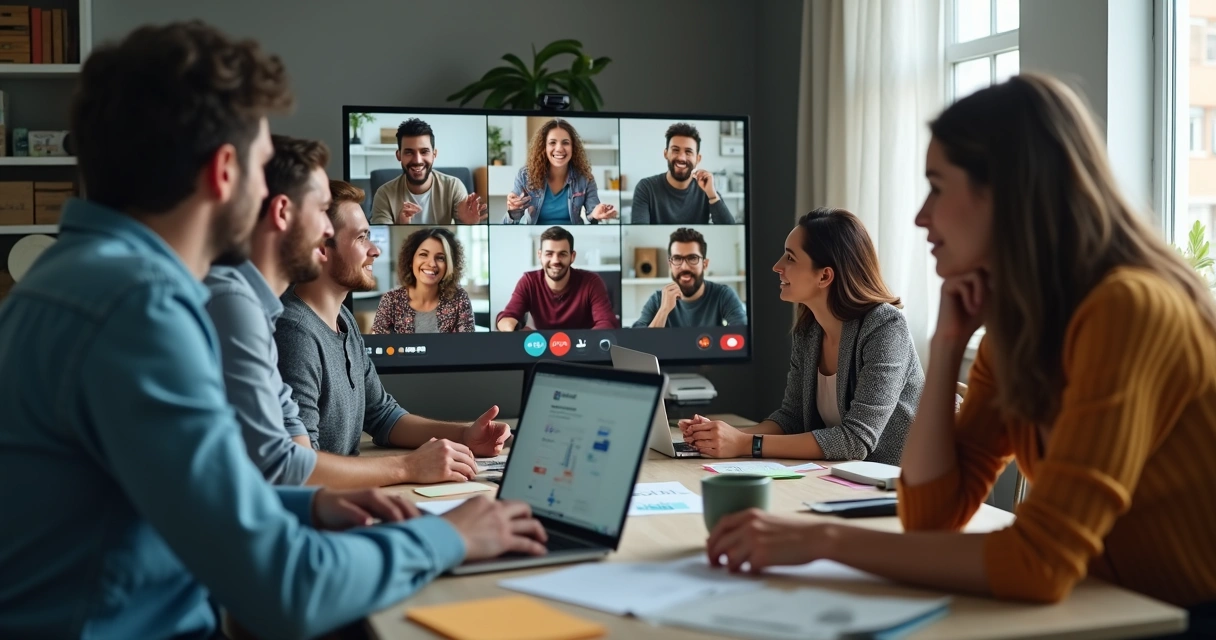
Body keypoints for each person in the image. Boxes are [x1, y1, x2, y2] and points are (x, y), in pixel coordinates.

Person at [0, 21, 545, 640]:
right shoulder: (142, 310)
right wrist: (446, 536)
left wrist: (310, 501)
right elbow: (286, 589)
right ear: (224, 172)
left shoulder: (70, 281)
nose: (271, 200)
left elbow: (197, 500)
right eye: (263, 169)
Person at [704, 75, 1216, 627]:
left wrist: (824, 539)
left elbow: (1039, 562)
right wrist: (947, 345)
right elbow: (930, 516)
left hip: (1180, 618)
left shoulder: (1129, 309)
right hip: (1107, 610)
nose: (922, 216)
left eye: (937, 187)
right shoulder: (1014, 332)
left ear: (1008, 193)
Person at [206, 135, 453, 489]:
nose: (326, 232)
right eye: (321, 212)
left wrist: (463, 435)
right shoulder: (266, 320)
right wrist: (408, 468)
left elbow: (303, 455)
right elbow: (293, 471)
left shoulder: (276, 313)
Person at [277, 180, 510, 465]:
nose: (374, 250)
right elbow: (303, 467)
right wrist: (409, 468)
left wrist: (465, 436)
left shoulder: (344, 321)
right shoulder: (294, 333)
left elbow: (383, 416)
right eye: (362, 238)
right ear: (322, 249)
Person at [680, 208, 922, 463]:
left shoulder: (885, 327)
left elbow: (856, 441)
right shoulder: (810, 330)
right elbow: (792, 418)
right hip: (841, 479)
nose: (777, 266)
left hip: (902, 484)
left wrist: (744, 444)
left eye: (790, 258)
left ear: (825, 275)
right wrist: (722, 436)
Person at [495, 226, 619, 331]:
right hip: (543, 351)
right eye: (549, 254)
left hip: (582, 349)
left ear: (572, 256)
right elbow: (505, 318)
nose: (555, 261)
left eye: (562, 254)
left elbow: (607, 322)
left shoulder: (591, 281)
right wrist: (515, 330)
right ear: (540, 255)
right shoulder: (529, 281)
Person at [370, 117, 487, 225]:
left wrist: (468, 225)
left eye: (424, 151)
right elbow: (380, 243)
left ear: (434, 154)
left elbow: (462, 240)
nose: (417, 160)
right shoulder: (383, 195)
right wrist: (400, 226)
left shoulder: (453, 187)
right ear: (399, 155)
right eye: (409, 152)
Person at [502, 118, 617, 224]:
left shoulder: (585, 178)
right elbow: (508, 224)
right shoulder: (525, 176)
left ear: (573, 147)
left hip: (573, 236)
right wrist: (513, 211)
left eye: (565, 142)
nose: (559, 148)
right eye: (552, 142)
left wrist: (596, 214)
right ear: (544, 147)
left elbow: (592, 213)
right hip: (538, 236)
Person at [633, 227, 747, 328]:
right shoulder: (657, 300)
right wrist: (663, 311)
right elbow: (637, 342)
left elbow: (744, 335)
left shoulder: (724, 296)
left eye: (692, 258)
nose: (684, 267)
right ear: (670, 265)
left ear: (705, 264)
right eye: (677, 258)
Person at [372, 226, 476, 333]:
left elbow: (467, 346)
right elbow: (379, 346)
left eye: (440, 258)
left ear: (449, 265)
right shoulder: (390, 300)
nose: (431, 264)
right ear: (411, 260)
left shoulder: (459, 299)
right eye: (423, 254)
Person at [630, 122, 735, 224]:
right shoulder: (646, 188)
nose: (681, 158)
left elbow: (730, 227)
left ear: (698, 159)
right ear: (666, 154)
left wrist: (712, 195)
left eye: (688, 152)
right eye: (675, 150)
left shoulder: (706, 189)